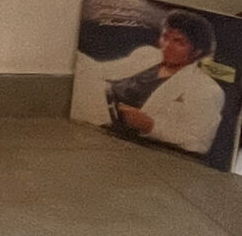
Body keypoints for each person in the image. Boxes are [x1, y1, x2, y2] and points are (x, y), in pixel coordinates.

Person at [73, 10, 224, 157]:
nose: (166, 46)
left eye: (178, 42)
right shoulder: (149, 54)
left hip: (121, 136)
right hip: (96, 106)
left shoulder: (206, 89)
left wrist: (150, 125)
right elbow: (102, 71)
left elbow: (199, 142)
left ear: (197, 52)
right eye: (165, 37)